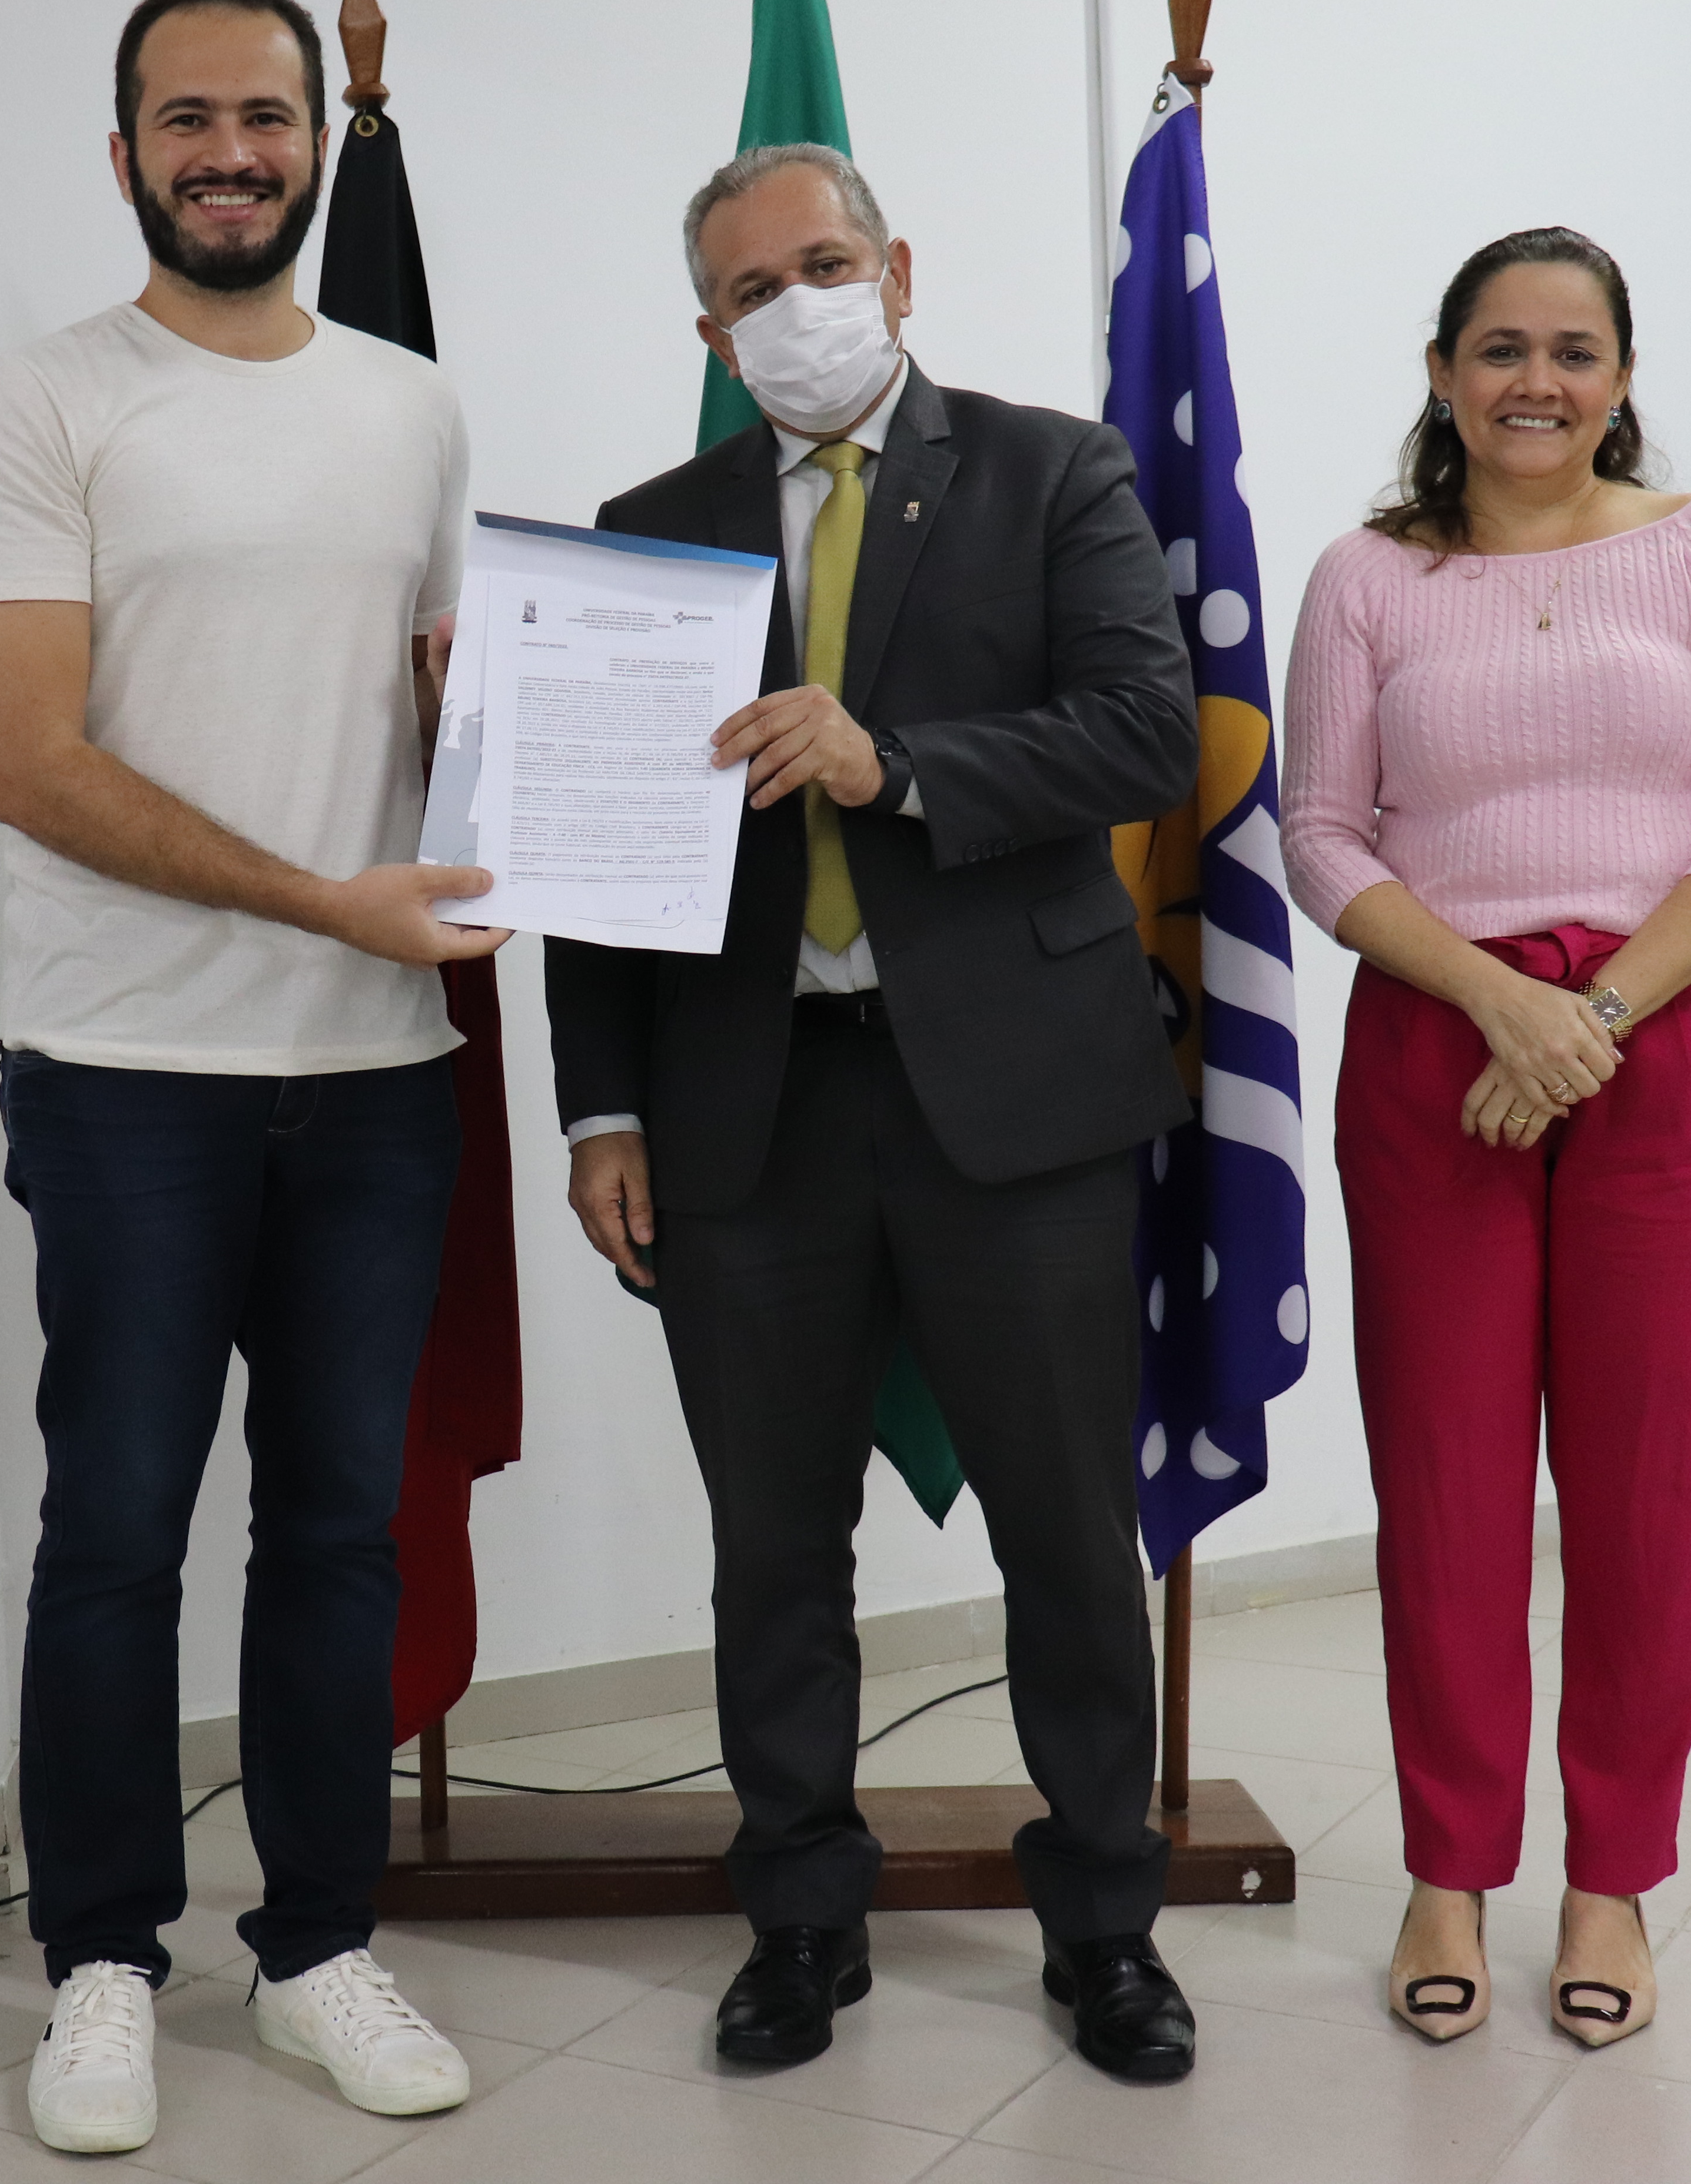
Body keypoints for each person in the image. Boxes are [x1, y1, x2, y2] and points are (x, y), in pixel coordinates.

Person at [549, 145, 1203, 2083]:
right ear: (712, 335)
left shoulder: (1052, 469)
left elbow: (1146, 733)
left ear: (898, 270)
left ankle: (1105, 1922)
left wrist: (890, 762)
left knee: (1067, 1534)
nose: (798, 307)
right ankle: (799, 1919)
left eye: (825, 265)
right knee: (773, 1547)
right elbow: (597, 868)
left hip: (1018, 1101)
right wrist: (600, 1111)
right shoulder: (648, 535)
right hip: (747, 1114)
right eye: (754, 291)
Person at [0, 0, 499, 2156]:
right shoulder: (41, 406)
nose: (233, 154)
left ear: (315, 144)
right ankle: (100, 1965)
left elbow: (441, 714)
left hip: (375, 1074)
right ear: (126, 154)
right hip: (124, 1069)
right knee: (117, 1532)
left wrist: (527, 745)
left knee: (341, 1529)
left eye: (267, 116)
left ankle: (318, 1948)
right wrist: (325, 900)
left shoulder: (411, 408)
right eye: (189, 120)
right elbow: (31, 762)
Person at [1282, 227, 1691, 2049]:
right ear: (1444, 374)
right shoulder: (1367, 577)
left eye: (1575, 351)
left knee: (1648, 1492)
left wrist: (1588, 1018)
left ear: (1621, 377)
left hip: (1666, 1049)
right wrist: (1495, 1002)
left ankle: (1612, 1882)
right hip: (1439, 1046)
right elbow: (1323, 834)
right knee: (1444, 1486)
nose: (1539, 382)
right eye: (1501, 349)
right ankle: (1448, 1869)